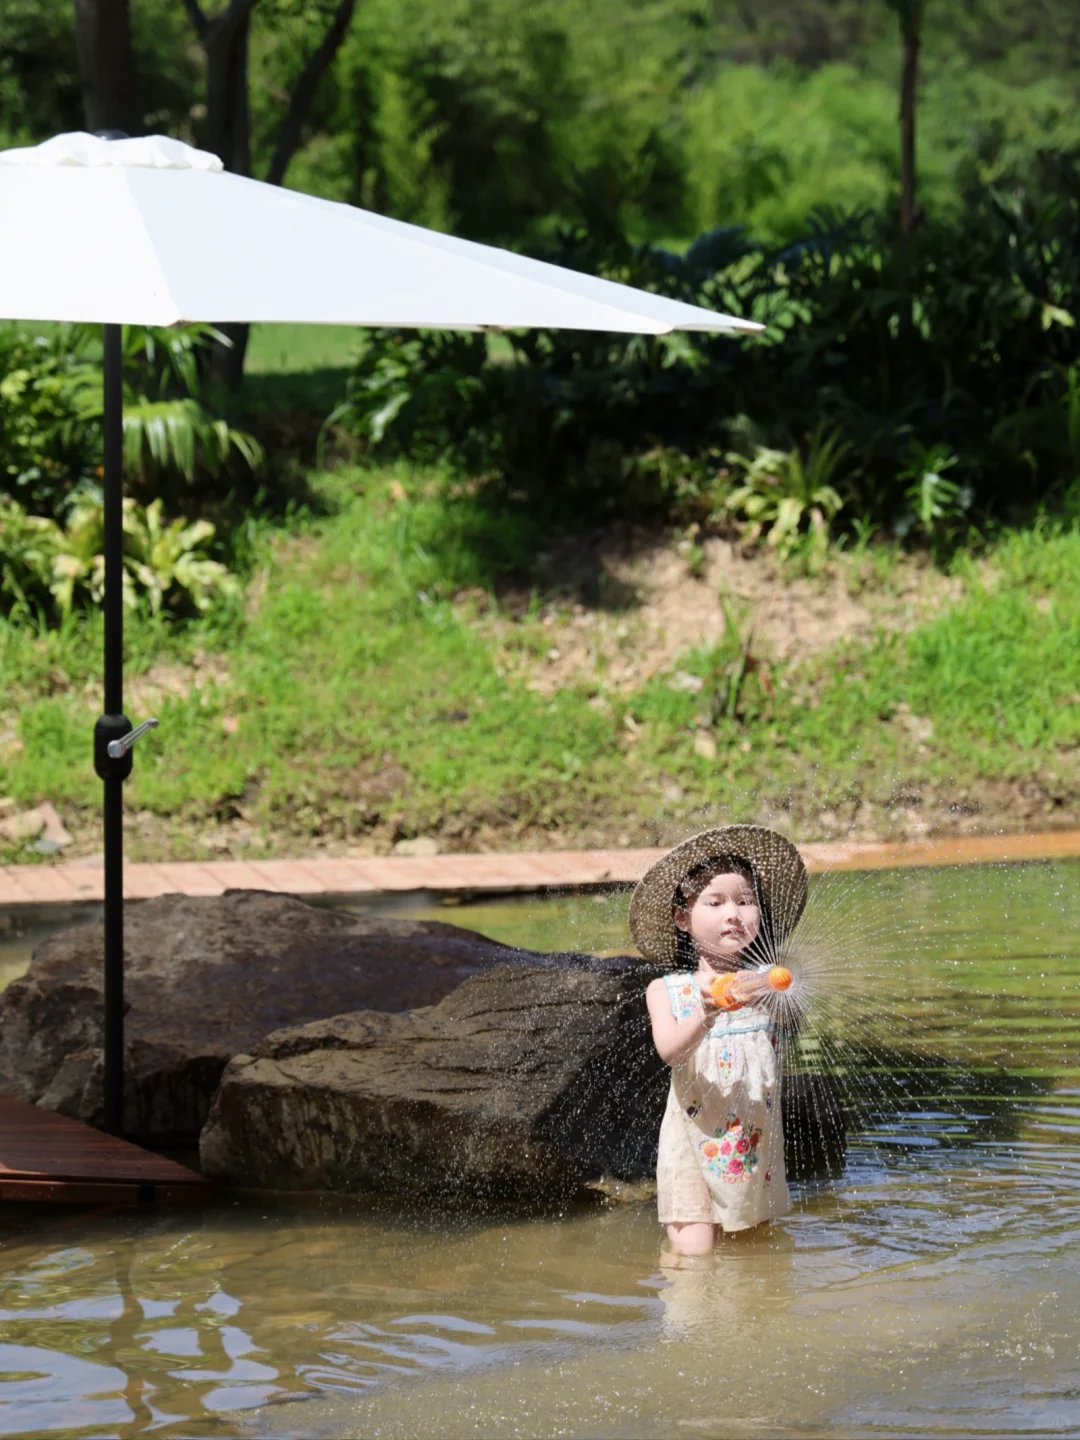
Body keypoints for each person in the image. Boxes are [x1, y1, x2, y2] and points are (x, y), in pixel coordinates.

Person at [631, 825, 808, 1255]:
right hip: (692, 1145)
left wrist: (772, 988)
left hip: (753, 1150)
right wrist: (706, 1012)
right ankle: (689, 1322)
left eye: (745, 901)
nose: (734, 913)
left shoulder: (769, 985)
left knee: (756, 1252)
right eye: (716, 902)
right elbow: (670, 1050)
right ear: (681, 917)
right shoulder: (668, 990)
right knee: (693, 1252)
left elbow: (793, 1023)